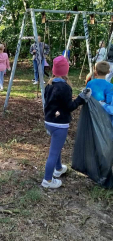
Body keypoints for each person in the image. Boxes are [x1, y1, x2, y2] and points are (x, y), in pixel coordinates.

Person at [42, 56, 91, 189]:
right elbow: (69, 106)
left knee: (56, 147)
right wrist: (81, 98)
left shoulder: (49, 85)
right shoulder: (65, 87)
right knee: (53, 152)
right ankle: (47, 180)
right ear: (66, 71)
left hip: (49, 122)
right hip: (59, 124)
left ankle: (58, 169)